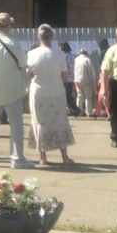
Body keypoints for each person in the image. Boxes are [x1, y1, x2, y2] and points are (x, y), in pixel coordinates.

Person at [0, 13, 33, 169]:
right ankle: (17, 159)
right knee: (16, 125)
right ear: (8, 26)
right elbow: (23, 63)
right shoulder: (13, 43)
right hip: (11, 90)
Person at [27, 24, 76, 166]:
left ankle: (43, 158)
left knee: (40, 122)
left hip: (38, 93)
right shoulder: (60, 54)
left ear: (39, 37)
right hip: (57, 92)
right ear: (52, 37)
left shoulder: (32, 54)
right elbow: (65, 76)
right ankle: (65, 156)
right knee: (60, 121)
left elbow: (29, 75)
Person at [71, 44, 95, 120]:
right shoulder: (87, 60)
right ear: (86, 53)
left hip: (77, 80)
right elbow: (91, 72)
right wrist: (92, 81)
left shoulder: (76, 59)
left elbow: (74, 70)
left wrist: (75, 80)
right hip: (86, 80)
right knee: (88, 97)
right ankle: (89, 113)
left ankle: (79, 111)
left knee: (79, 96)